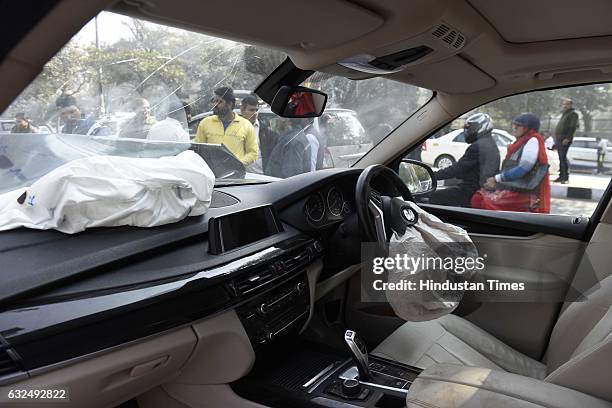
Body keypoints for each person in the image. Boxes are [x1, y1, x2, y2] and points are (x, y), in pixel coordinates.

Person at [471, 113, 550, 213]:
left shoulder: (533, 140)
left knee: (482, 201)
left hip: (522, 193)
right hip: (513, 188)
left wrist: (496, 179)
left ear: (529, 129)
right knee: (478, 198)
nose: (515, 128)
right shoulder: (520, 142)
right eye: (514, 125)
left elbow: (524, 168)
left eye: (519, 125)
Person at [428, 113, 500, 207]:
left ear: (482, 127)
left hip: (470, 191)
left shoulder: (478, 146)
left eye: (471, 128)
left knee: (432, 197)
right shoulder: (489, 143)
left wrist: (432, 175)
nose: (469, 132)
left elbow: (458, 169)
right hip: (479, 188)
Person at [195, 86, 258, 166]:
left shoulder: (246, 125)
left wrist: (238, 164)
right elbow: (198, 149)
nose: (215, 105)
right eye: (214, 101)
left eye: (219, 102)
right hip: (210, 173)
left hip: (235, 175)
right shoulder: (205, 123)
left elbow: (253, 153)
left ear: (230, 104)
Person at [240, 95, 276, 173]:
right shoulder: (235, 127)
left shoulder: (265, 131)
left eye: (256, 110)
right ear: (242, 110)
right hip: (241, 176)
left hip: (261, 175)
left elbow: (270, 155)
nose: (255, 113)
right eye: (251, 110)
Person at [553, 98, 579, 184]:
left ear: (571, 105)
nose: (564, 106)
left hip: (564, 139)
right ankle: (561, 176)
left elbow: (572, 127)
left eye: (567, 104)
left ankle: (565, 177)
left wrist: (567, 138)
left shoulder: (573, 114)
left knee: (563, 158)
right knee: (561, 158)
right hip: (559, 139)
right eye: (564, 104)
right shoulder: (565, 114)